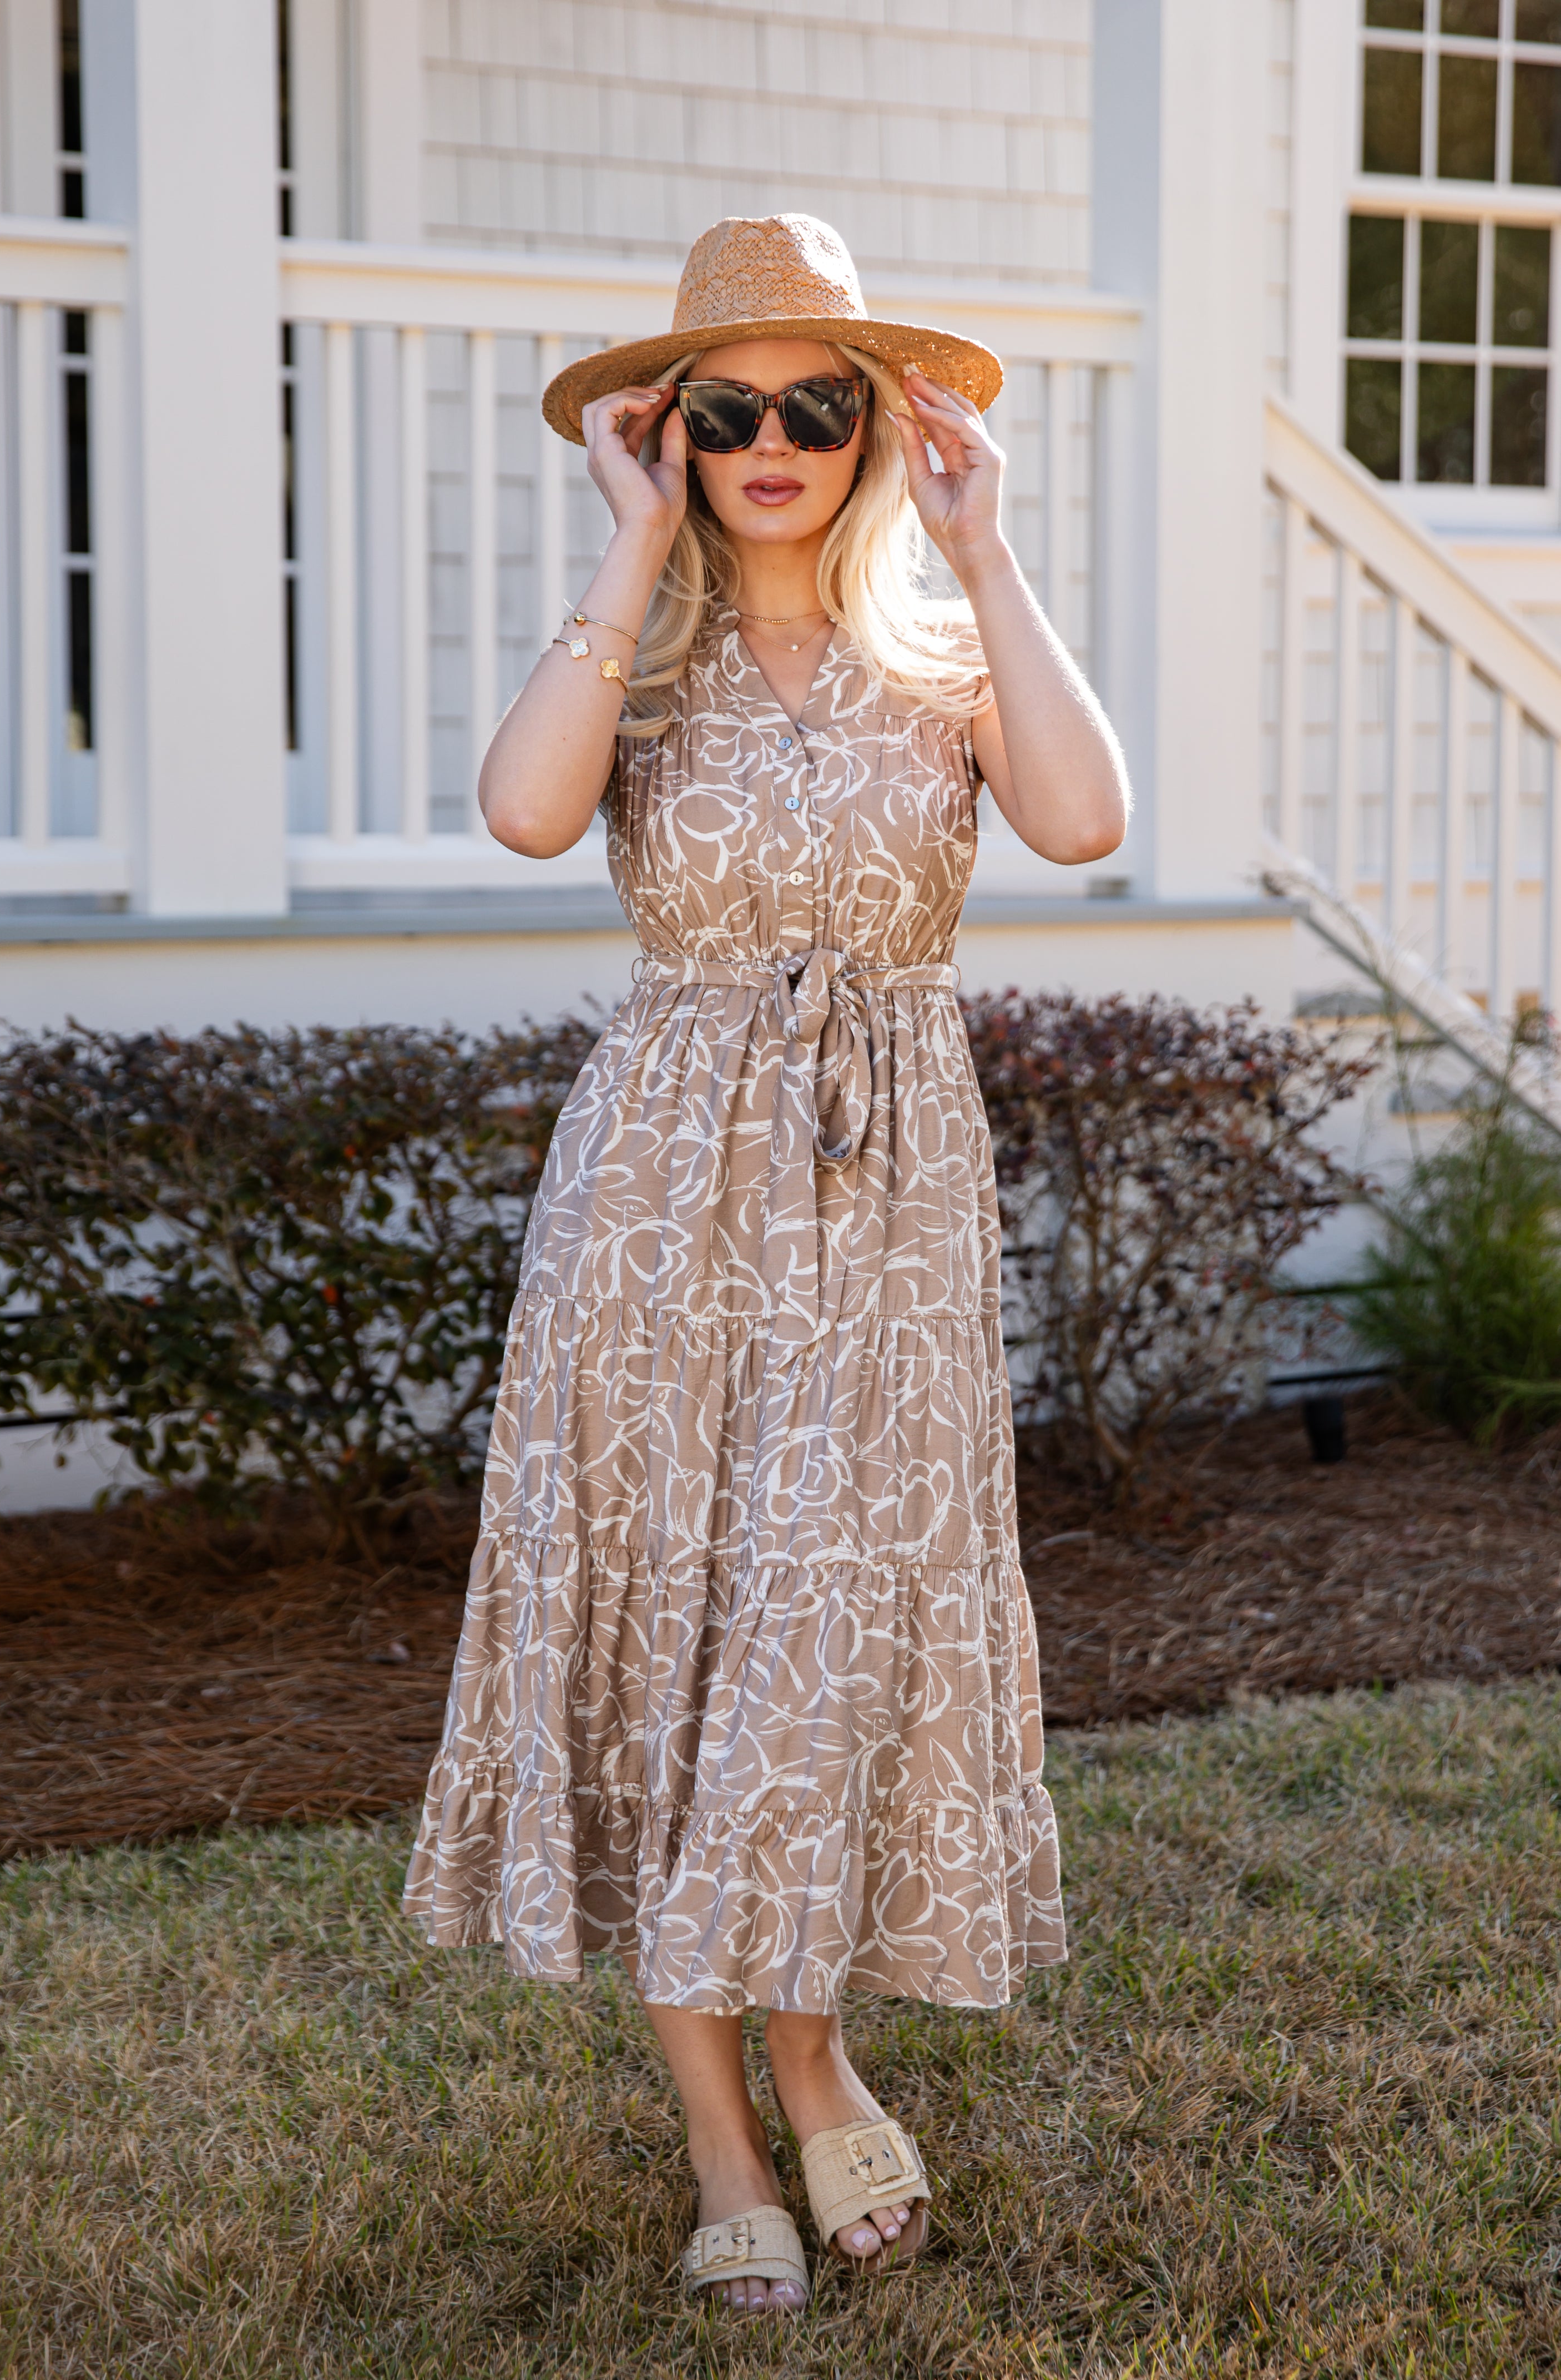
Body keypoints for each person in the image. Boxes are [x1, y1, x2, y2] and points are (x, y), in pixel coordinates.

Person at [404, 212, 1128, 2318]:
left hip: (885, 1207)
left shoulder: (942, 645)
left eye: (822, 403)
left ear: (878, 428)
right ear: (682, 433)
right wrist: (624, 539)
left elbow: (1080, 821)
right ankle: (741, 2128)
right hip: (657, 1194)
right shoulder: (634, 657)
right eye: (729, 413)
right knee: (671, 1621)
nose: (777, 442)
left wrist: (987, 548)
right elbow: (527, 817)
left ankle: (810, 2048)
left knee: (825, 1621)